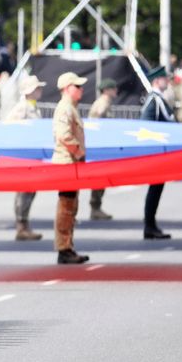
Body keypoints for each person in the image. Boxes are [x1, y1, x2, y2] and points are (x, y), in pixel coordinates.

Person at [52, 71, 89, 264]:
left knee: (71, 206)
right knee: (66, 207)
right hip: (66, 163)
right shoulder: (65, 108)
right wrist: (78, 152)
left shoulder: (71, 108)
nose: (81, 89)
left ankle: (68, 246)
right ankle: (64, 248)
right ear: (67, 88)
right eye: (77, 86)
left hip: (71, 163)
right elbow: (64, 135)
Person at [5, 75, 45, 241]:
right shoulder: (22, 108)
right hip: (25, 155)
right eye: (37, 88)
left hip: (32, 155)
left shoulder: (32, 107)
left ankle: (25, 224)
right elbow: (10, 127)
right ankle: (21, 226)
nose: (40, 91)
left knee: (30, 190)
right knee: (24, 190)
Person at [139, 68, 174, 239]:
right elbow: (145, 125)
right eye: (164, 78)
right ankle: (149, 225)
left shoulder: (159, 99)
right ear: (156, 81)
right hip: (156, 153)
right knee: (155, 189)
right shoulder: (153, 100)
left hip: (161, 152)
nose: (167, 81)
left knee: (157, 189)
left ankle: (151, 225)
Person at [86, 79, 117, 221]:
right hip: (99, 145)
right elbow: (96, 122)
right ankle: (95, 207)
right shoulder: (102, 103)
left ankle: (96, 207)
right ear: (106, 90)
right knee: (99, 178)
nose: (115, 90)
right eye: (113, 88)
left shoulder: (106, 102)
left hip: (102, 144)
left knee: (101, 178)